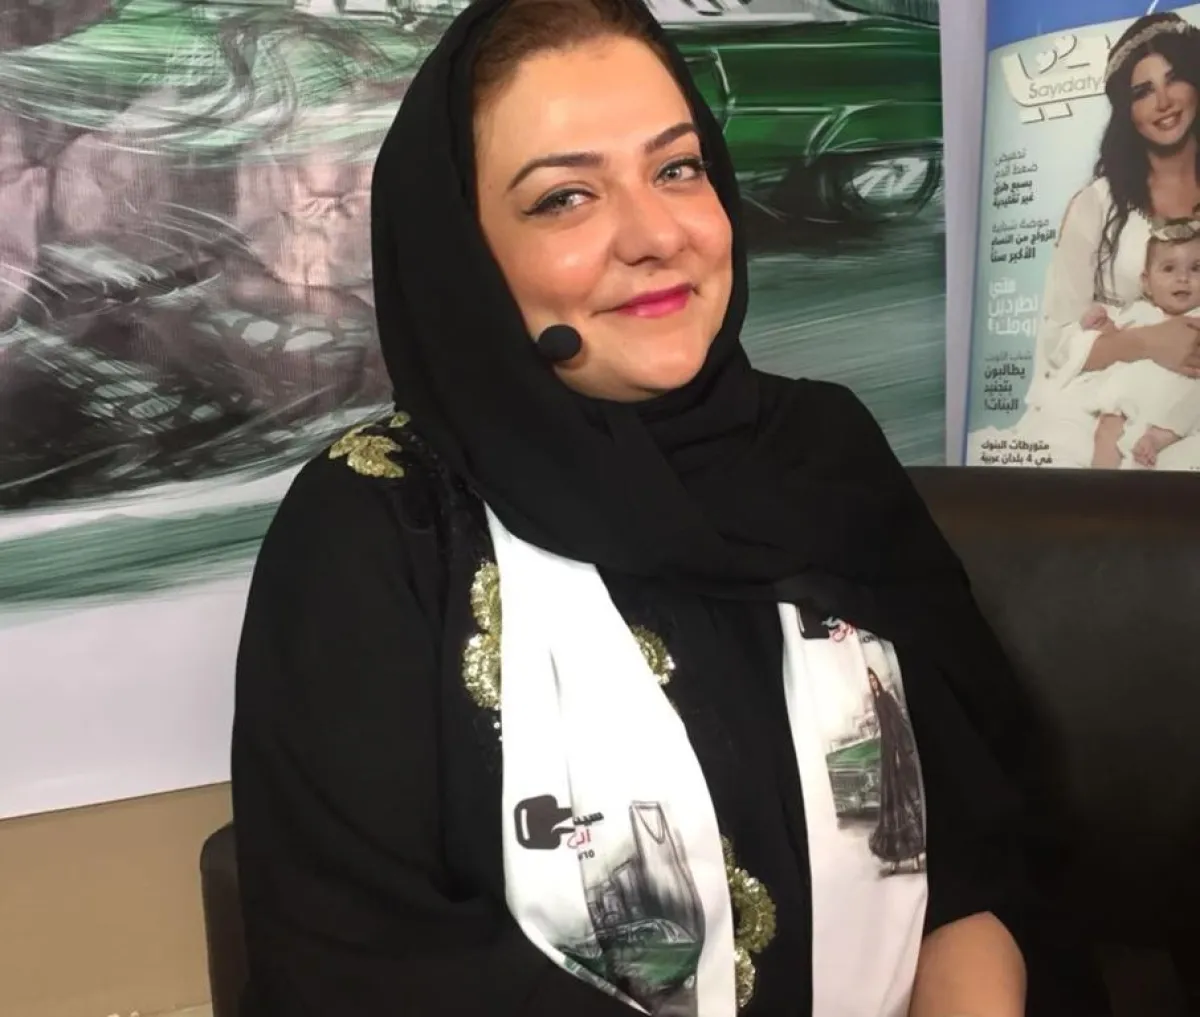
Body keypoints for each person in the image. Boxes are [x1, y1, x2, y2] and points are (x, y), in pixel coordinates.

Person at [230, 0, 1105, 1014]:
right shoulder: (376, 526)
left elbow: (982, 854)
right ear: (464, 254)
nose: (657, 235)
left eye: (678, 168)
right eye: (565, 197)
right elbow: (361, 971)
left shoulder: (821, 450)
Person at [972, 12, 1200, 469]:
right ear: (1127, 112)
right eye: (1142, 91)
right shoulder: (1097, 205)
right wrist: (1148, 342)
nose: (1163, 102)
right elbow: (1058, 340)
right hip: (1102, 396)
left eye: (1174, 79)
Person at [1075, 227, 1200, 467]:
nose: (1183, 278)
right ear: (1147, 283)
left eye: (1196, 268)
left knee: (1189, 403)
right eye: (1169, 268)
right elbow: (1119, 340)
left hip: (1178, 390)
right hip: (1134, 390)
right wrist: (1102, 325)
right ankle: (1101, 480)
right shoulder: (1141, 311)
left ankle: (1157, 438)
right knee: (1108, 425)